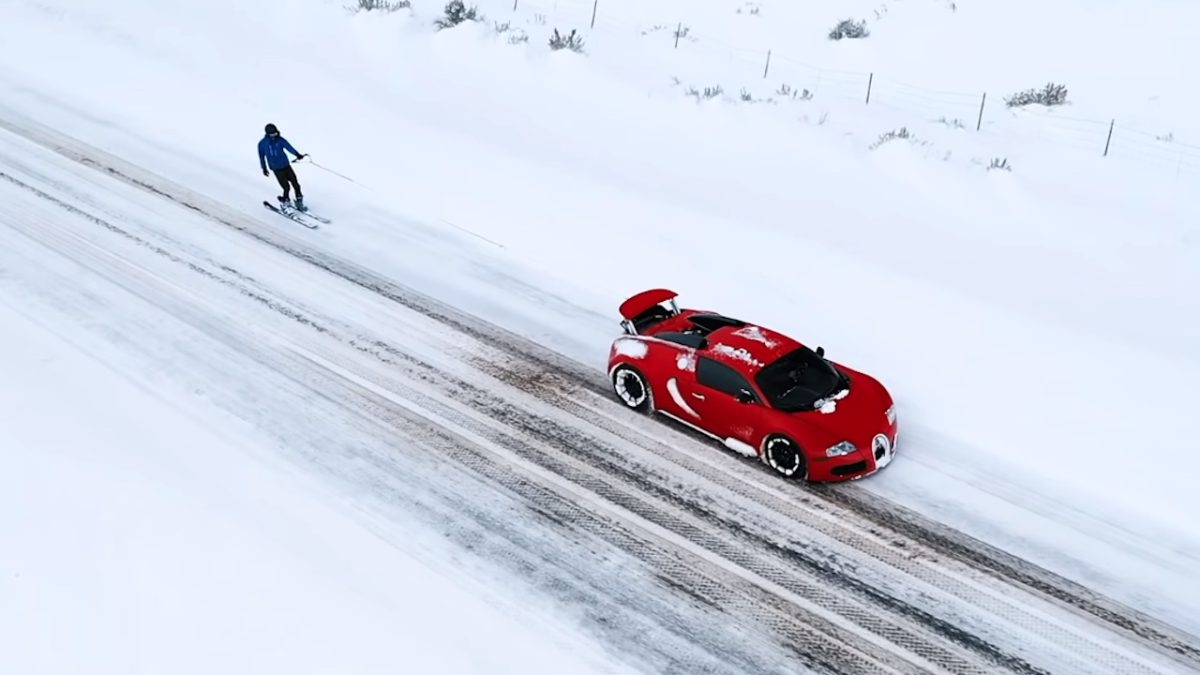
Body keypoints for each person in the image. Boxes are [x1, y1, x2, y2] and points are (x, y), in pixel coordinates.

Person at [258, 123, 307, 211]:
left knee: (295, 183)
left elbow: (288, 147)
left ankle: (299, 202)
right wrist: (264, 168)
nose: (274, 135)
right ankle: (286, 202)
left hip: (286, 165)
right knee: (286, 187)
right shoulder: (262, 144)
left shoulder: (280, 140)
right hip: (276, 169)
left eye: (275, 133)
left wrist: (297, 154)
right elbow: (262, 156)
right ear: (268, 134)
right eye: (272, 134)